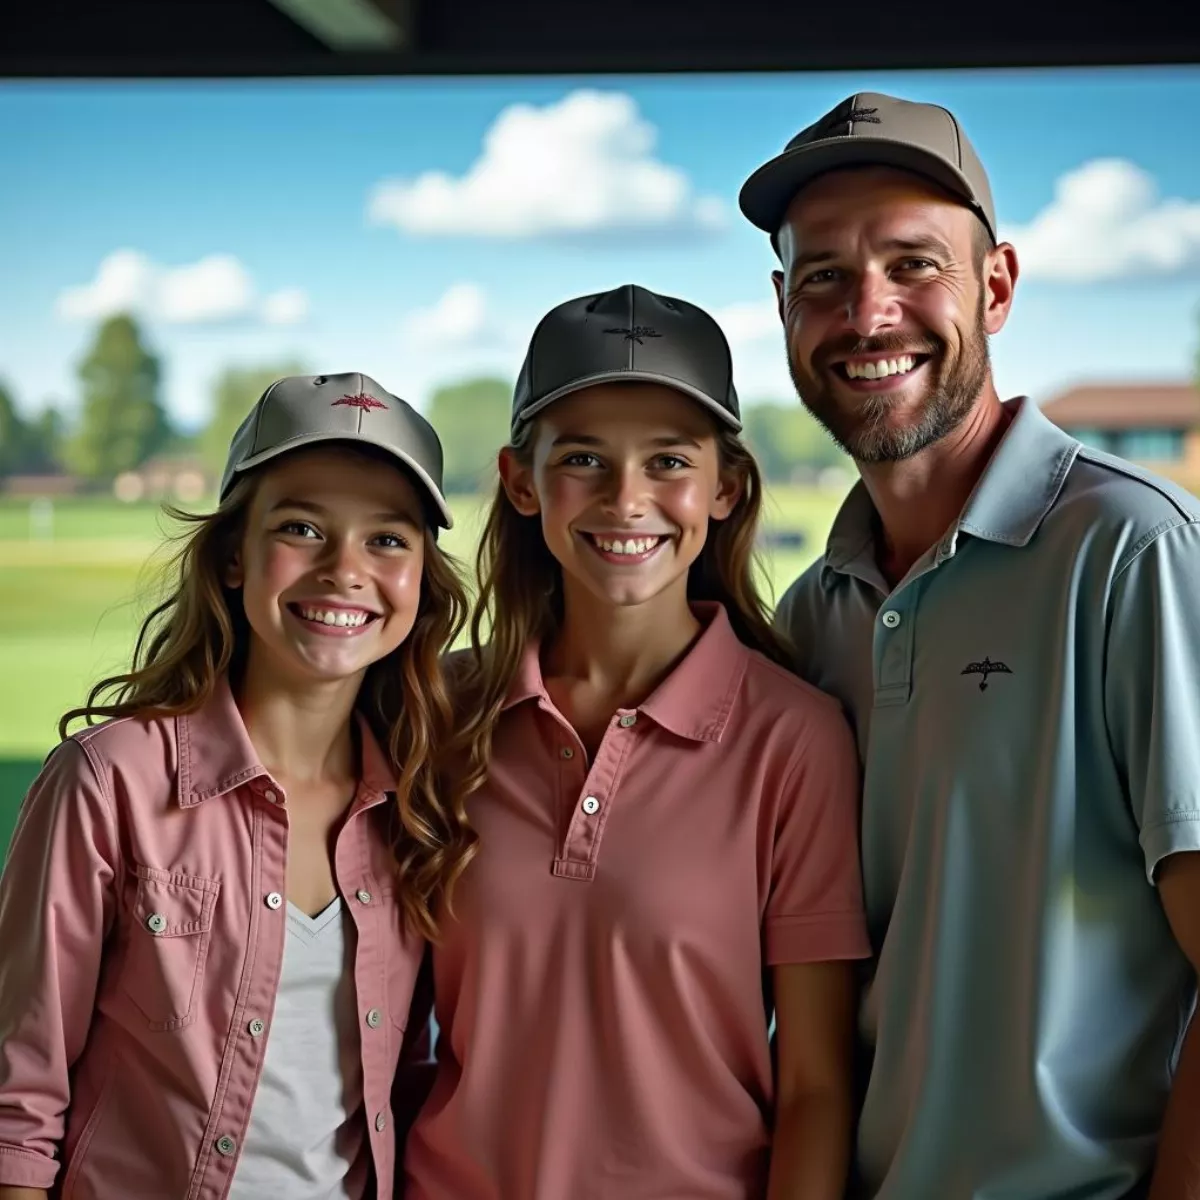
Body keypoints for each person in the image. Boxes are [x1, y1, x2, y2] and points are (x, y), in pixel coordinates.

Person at [737, 91, 1200, 1198]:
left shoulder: (1131, 550)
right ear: (784, 307)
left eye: (913, 265)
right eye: (826, 279)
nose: (869, 313)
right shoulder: (812, 616)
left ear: (995, 286)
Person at [403, 283, 870, 1200]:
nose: (628, 499)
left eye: (668, 462)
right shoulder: (440, 713)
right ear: (520, 479)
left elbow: (816, 1088)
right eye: (584, 458)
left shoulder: (795, 740)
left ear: (726, 488)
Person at [0, 372, 475, 1200]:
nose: (346, 570)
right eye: (300, 527)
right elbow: (19, 1093)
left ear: (422, 578)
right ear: (231, 555)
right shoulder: (108, 783)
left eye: (388, 540)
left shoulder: (420, 807)